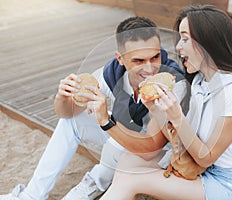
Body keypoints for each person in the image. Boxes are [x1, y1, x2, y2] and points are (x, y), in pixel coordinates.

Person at [0, 16, 187, 200]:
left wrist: (107, 121)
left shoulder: (172, 82)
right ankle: (31, 195)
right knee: (72, 121)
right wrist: (62, 96)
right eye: (138, 61)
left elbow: (152, 145)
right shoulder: (112, 72)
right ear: (120, 59)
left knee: (116, 140)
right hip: (126, 134)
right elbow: (65, 113)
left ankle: (92, 184)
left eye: (155, 57)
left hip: (163, 152)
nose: (150, 68)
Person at [98, 5, 232, 200]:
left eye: (185, 39)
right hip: (195, 169)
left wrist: (177, 117)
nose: (178, 47)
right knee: (128, 161)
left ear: (208, 41)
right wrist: (155, 109)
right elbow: (181, 140)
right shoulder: (199, 81)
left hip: (224, 184)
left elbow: (206, 156)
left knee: (131, 180)